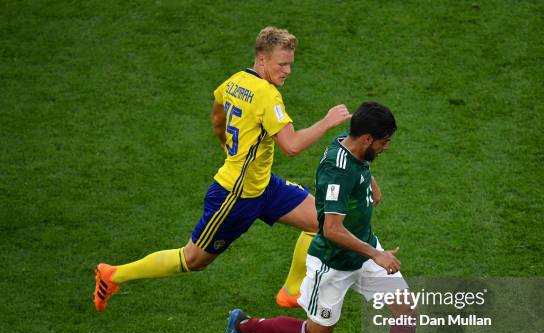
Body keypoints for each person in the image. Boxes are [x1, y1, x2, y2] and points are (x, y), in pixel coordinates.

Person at [93, 26, 351, 312]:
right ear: (262, 60)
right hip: (235, 197)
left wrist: (224, 141)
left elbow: (217, 111)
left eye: (290, 63)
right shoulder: (267, 95)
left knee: (323, 220)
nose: (288, 70)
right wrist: (327, 122)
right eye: (282, 64)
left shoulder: (235, 81)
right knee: (193, 260)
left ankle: (290, 291)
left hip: (263, 185)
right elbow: (290, 146)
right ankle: (112, 274)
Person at [222, 102, 426, 333]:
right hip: (333, 264)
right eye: (384, 141)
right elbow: (330, 229)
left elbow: (359, 159)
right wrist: (376, 254)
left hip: (364, 250)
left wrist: (370, 184)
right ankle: (245, 324)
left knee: (406, 311)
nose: (387, 147)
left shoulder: (353, 144)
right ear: (368, 139)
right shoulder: (336, 172)